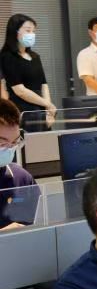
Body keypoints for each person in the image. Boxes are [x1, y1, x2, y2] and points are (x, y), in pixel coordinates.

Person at [0, 14, 56, 132]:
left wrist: (48, 109)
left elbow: (44, 84)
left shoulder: (35, 56)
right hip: (23, 111)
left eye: (33, 31)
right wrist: (47, 104)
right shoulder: (7, 57)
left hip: (41, 108)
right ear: (15, 31)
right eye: (28, 30)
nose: (32, 34)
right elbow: (19, 90)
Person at [0, 99, 38, 230]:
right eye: (2, 143)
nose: (9, 149)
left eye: (14, 142)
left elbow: (41, 224)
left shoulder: (21, 178)